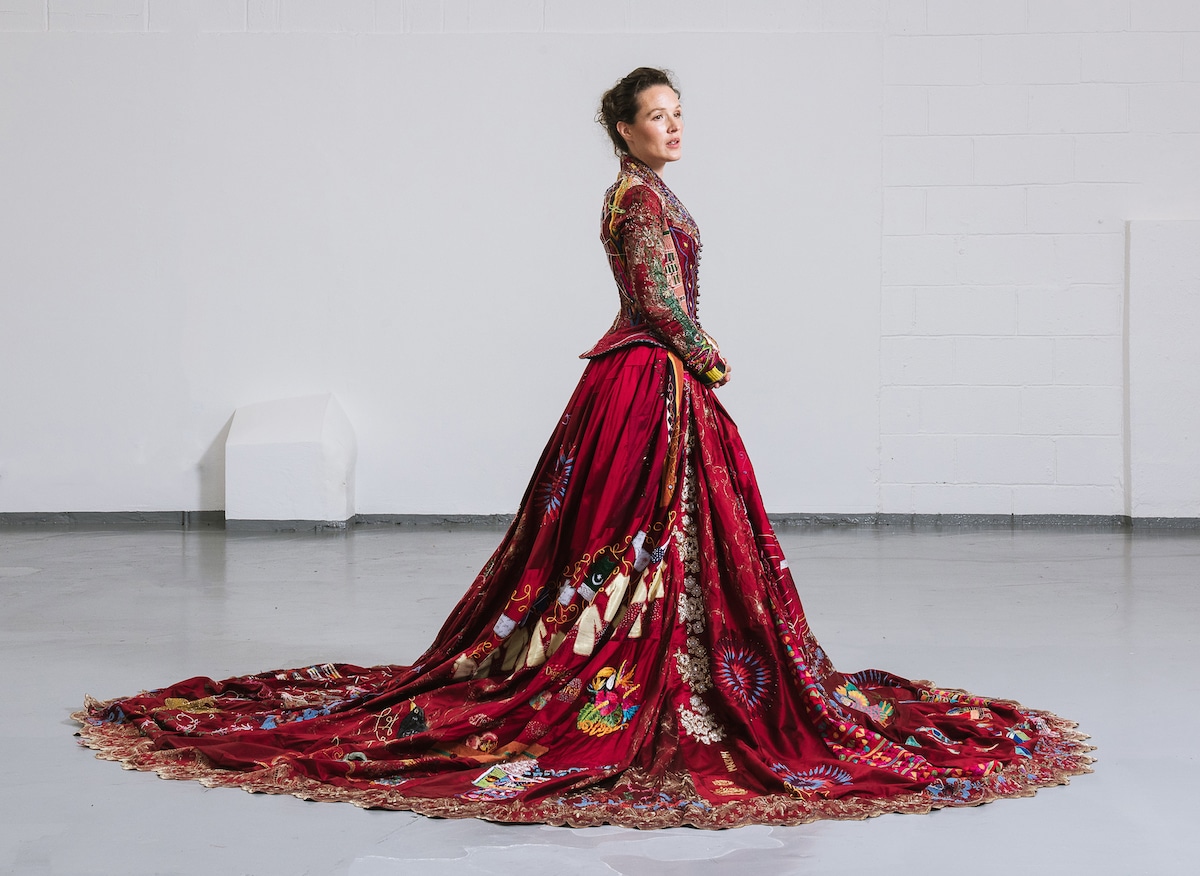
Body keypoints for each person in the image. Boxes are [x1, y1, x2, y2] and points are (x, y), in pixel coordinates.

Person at [75, 67, 1091, 829]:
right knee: (634, 538)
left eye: (681, 113)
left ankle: (674, 656)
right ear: (622, 127)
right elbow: (656, 301)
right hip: (649, 380)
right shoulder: (640, 200)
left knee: (637, 542)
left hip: (643, 380)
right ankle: (642, 671)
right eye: (659, 115)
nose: (676, 126)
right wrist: (708, 359)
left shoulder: (640, 193)